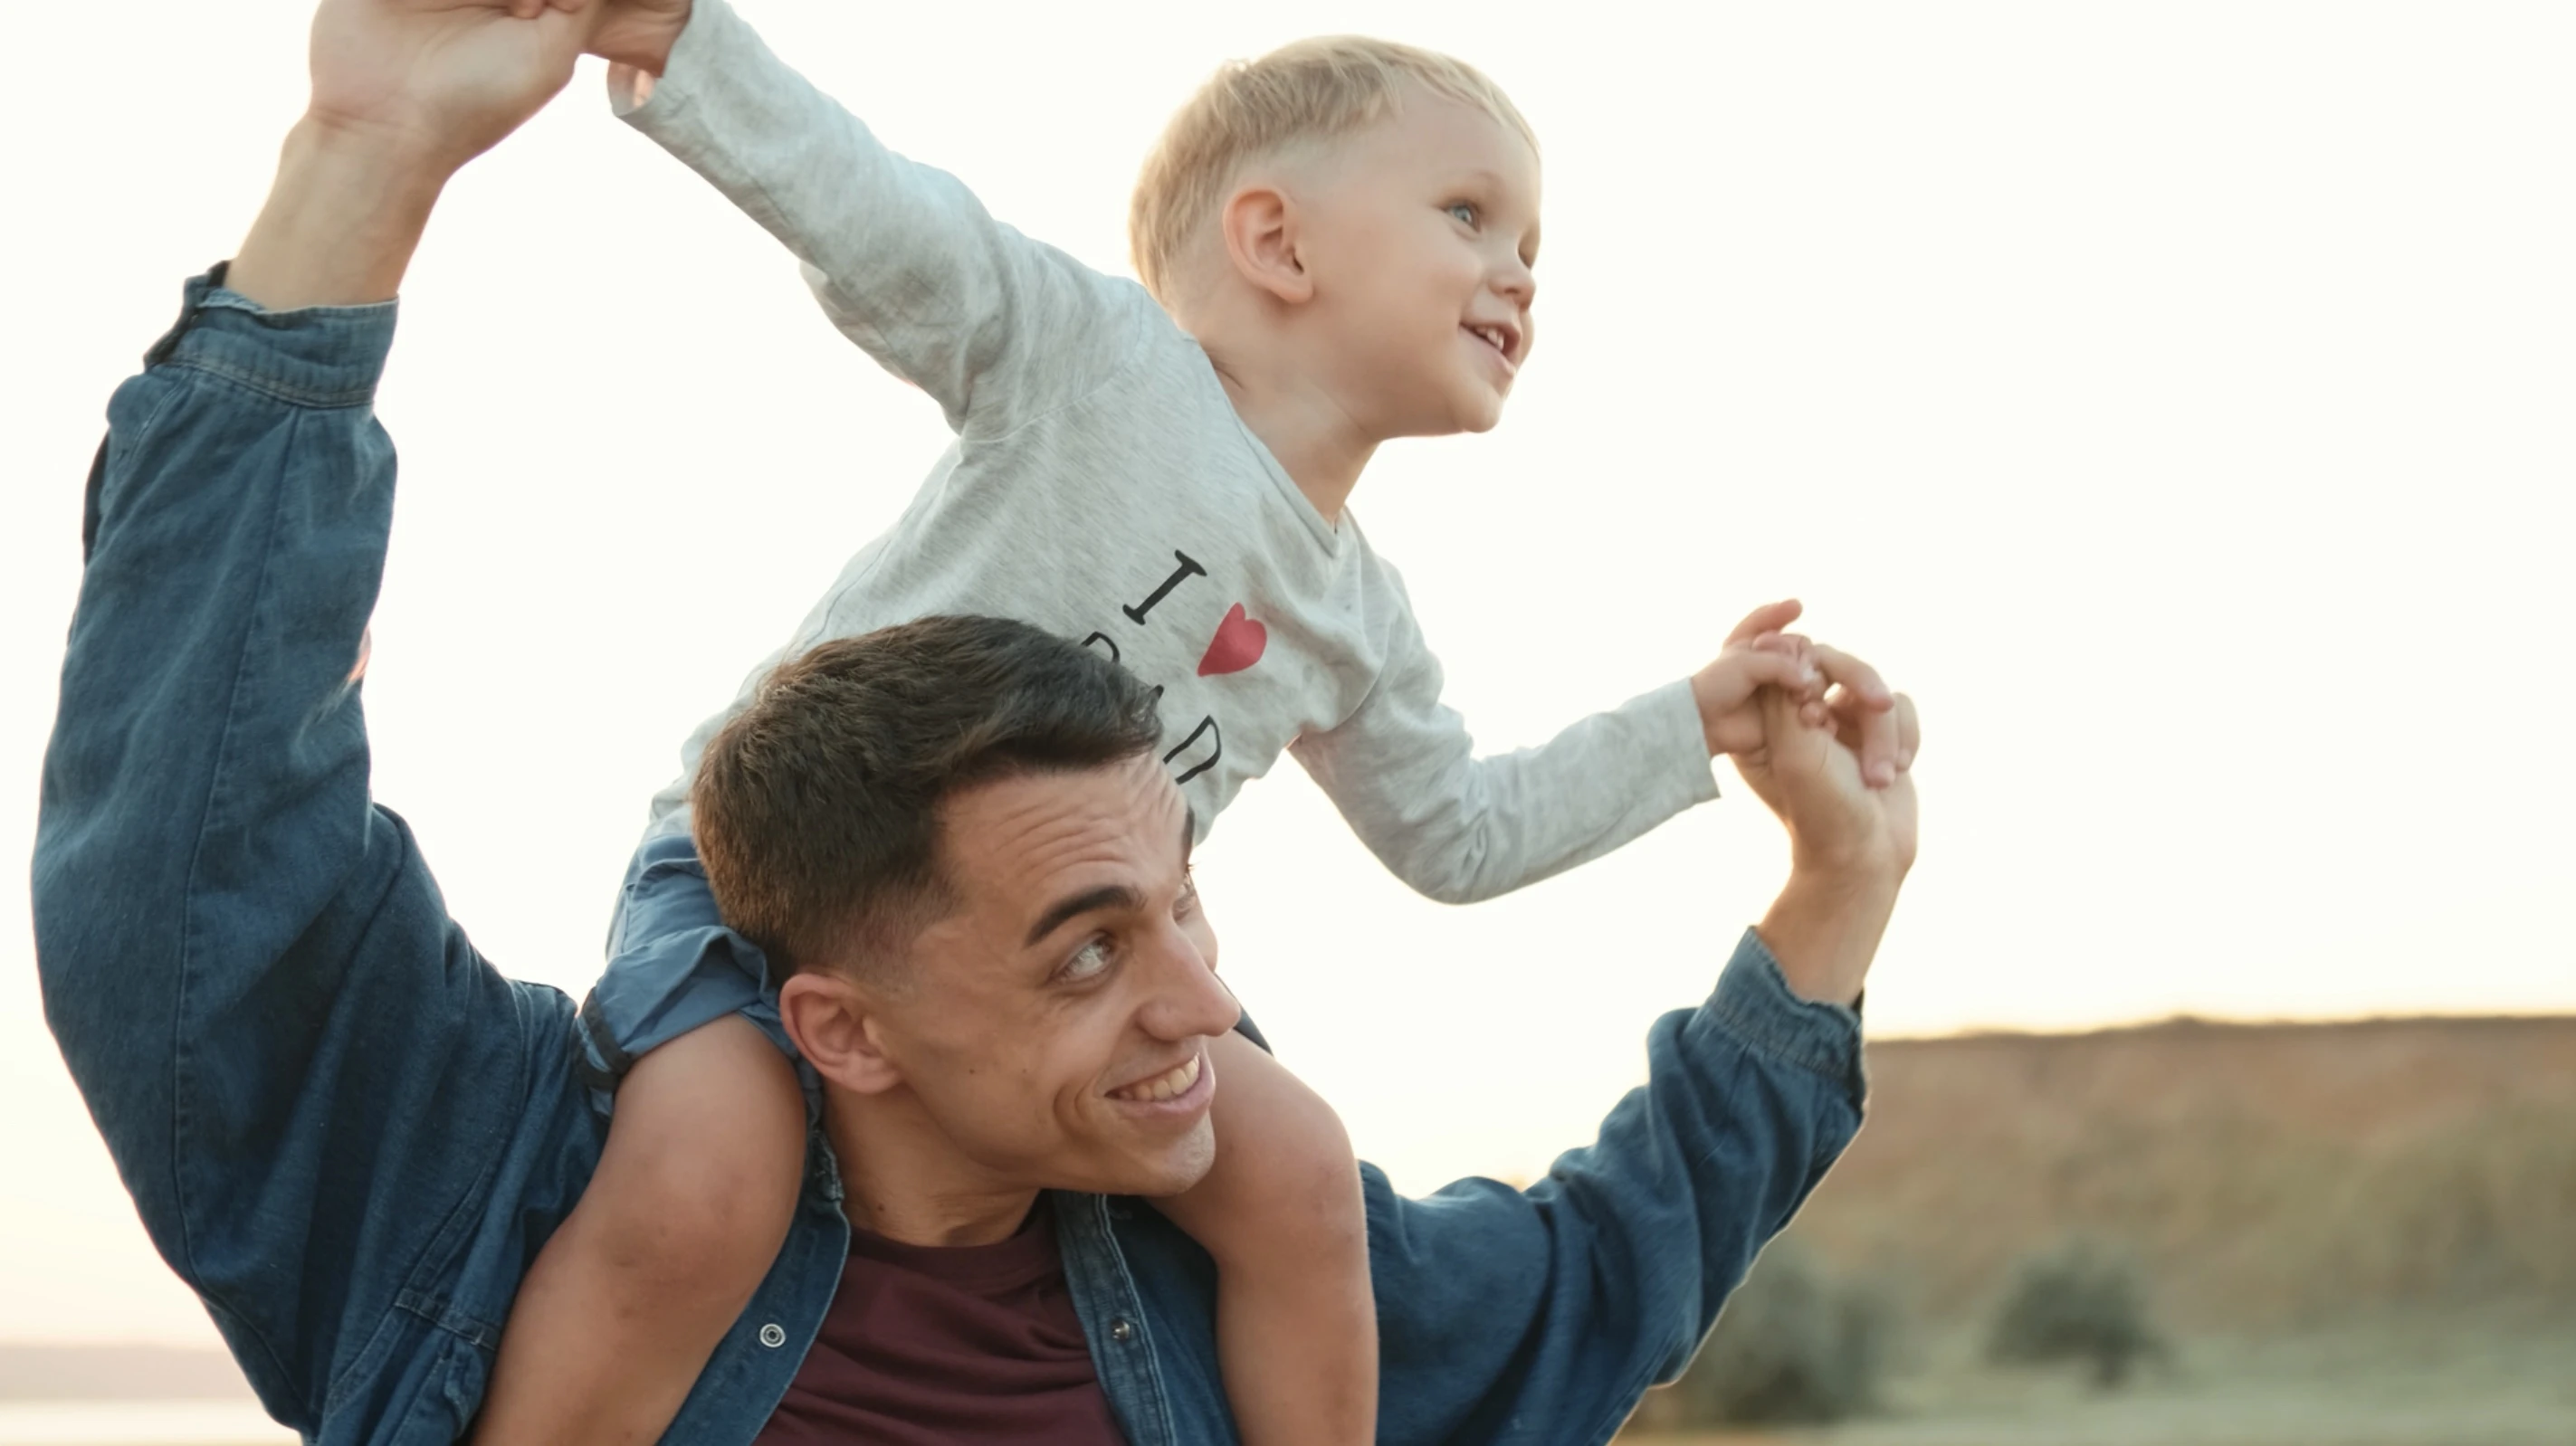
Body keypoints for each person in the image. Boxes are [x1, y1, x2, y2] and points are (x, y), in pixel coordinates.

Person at [33, 1, 1920, 1442]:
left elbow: (1463, 837)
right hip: (741, 881)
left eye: (1533, 242)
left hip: (1071, 1013)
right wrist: (672, 45)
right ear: (1272, 240)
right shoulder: (1094, 363)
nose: (1521, 268)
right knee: (699, 1172)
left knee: (1292, 1169)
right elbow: (882, 224)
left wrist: (1707, 748)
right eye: (1468, 211)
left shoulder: (1355, 615)